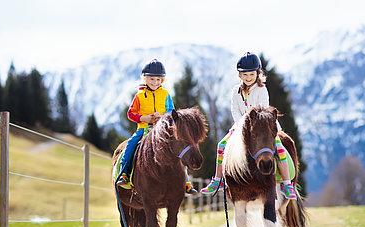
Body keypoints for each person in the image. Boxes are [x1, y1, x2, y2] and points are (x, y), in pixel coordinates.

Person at [200, 52, 297, 199]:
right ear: (240, 75)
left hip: (263, 127)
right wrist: (241, 125)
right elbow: (235, 109)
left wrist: (253, 125)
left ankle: (287, 183)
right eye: (244, 75)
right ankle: (218, 180)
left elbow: (263, 110)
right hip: (241, 127)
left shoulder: (261, 90)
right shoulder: (235, 92)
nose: (248, 78)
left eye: (251, 74)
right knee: (221, 145)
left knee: (280, 148)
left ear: (257, 73)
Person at [117, 59, 197, 194]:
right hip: (143, 129)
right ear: (145, 79)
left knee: (178, 147)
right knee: (131, 145)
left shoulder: (165, 94)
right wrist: (144, 118)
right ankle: (124, 173)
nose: (155, 82)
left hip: (162, 131)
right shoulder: (140, 96)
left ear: (162, 80)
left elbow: (172, 112)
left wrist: (162, 116)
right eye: (152, 79)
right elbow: (130, 113)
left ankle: (185, 181)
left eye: (158, 80)